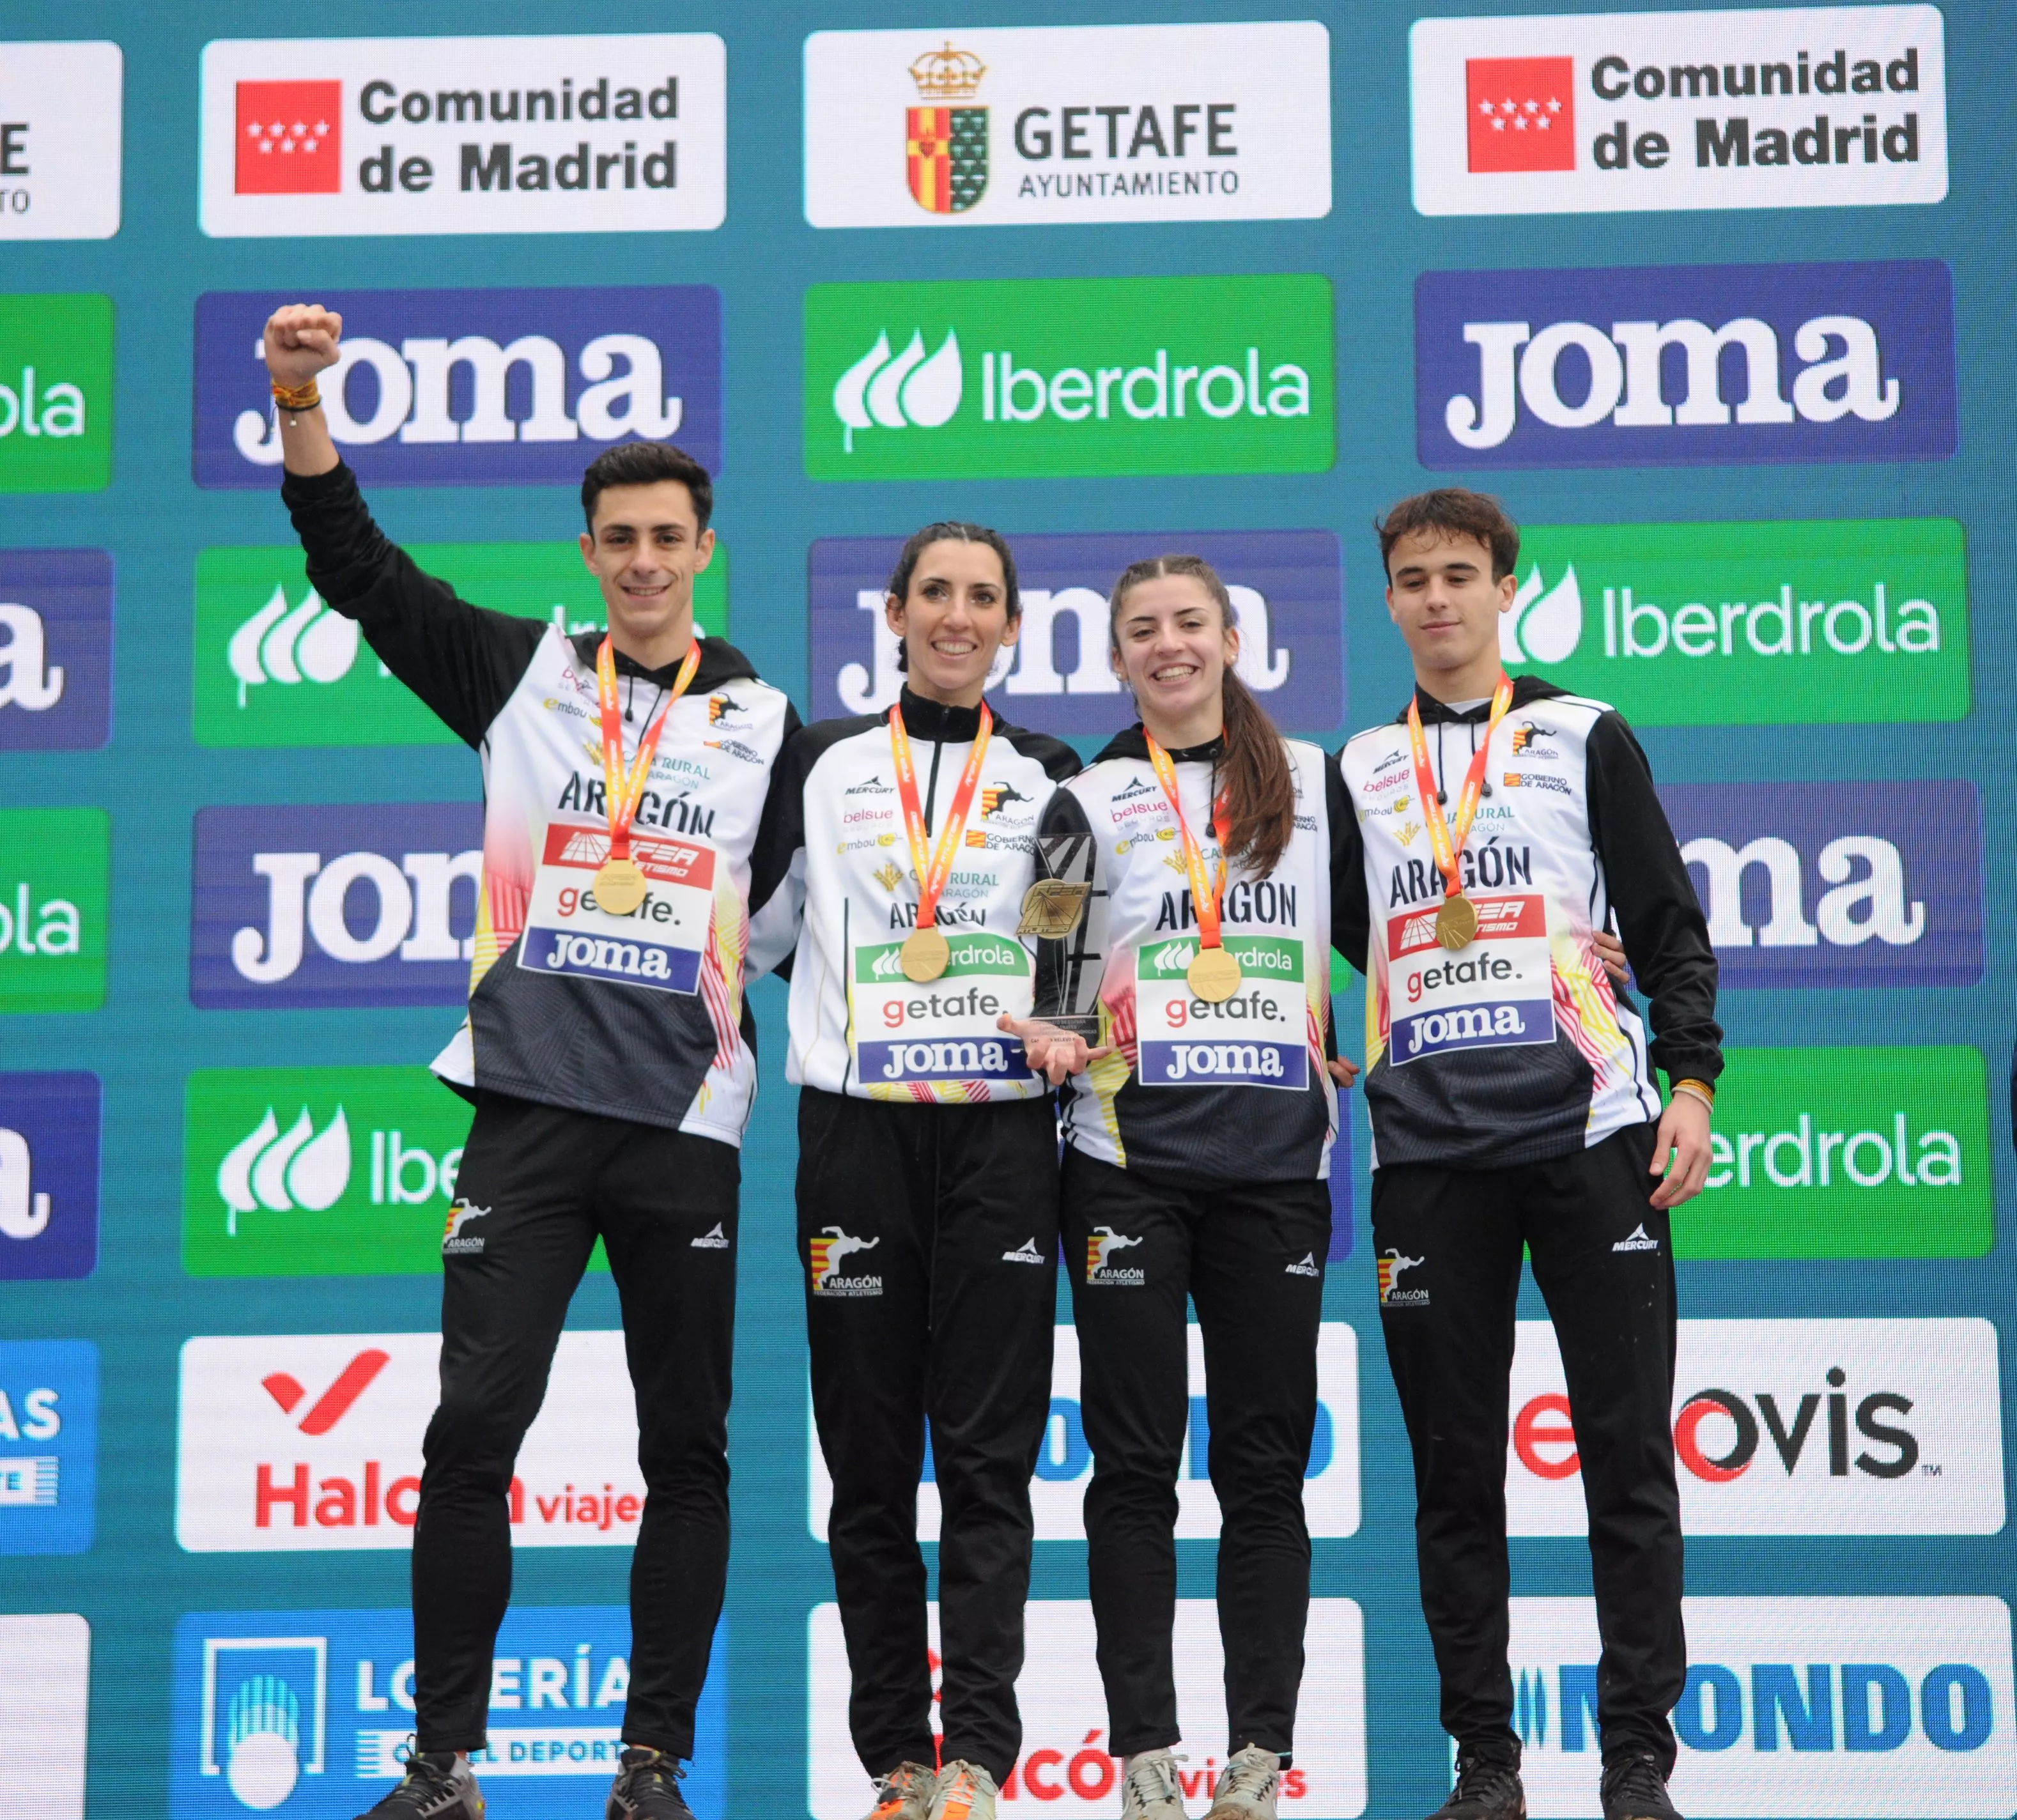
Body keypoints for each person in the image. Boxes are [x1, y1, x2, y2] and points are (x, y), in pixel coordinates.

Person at [262, 303, 801, 1820]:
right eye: (617, 535)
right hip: (530, 1123)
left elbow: (862, 894)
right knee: (471, 1428)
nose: (641, 560)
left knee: (686, 1450)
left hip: (687, 1125)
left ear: (706, 549)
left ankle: (654, 1768)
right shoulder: (517, 679)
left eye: (667, 537)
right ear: (588, 550)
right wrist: (304, 398)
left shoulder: (771, 726)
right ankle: (444, 1764)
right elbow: (354, 566)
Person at [1335, 490, 1719, 1820]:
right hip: (1428, 1156)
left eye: (1458, 574)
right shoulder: (1358, 768)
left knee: (1626, 1456)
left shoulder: (1581, 733)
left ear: (1507, 588)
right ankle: (1484, 1761)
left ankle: (1635, 1760)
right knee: (1454, 1471)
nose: (1435, 598)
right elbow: (1325, 936)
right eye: (1411, 579)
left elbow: (1666, 916)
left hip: (1594, 1136)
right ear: (1387, 600)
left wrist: (1695, 1079)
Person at [746, 523, 1089, 1820]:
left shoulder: (1049, 771)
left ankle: (977, 1763)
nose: (957, 615)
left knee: (991, 1461)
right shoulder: (825, 762)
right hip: (856, 1135)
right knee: (872, 1464)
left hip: (1002, 1138)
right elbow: (760, 929)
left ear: (1012, 624)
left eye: (982, 598)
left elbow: (1072, 952)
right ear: (892, 611)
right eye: (934, 593)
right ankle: (897, 1757)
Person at [1028, 555, 1358, 1820]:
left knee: (1265, 1469)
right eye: (1142, 631)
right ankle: (1149, 1760)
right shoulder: (1084, 799)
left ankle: (1258, 1761)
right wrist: (1055, 1027)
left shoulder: (1316, 784)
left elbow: (1402, 931)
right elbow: (1056, 981)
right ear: (1118, 656)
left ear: (1230, 638)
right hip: (1127, 1170)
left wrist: (1562, 937)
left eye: (1189, 624)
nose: (1168, 646)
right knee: (1134, 1466)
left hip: (1276, 1172)